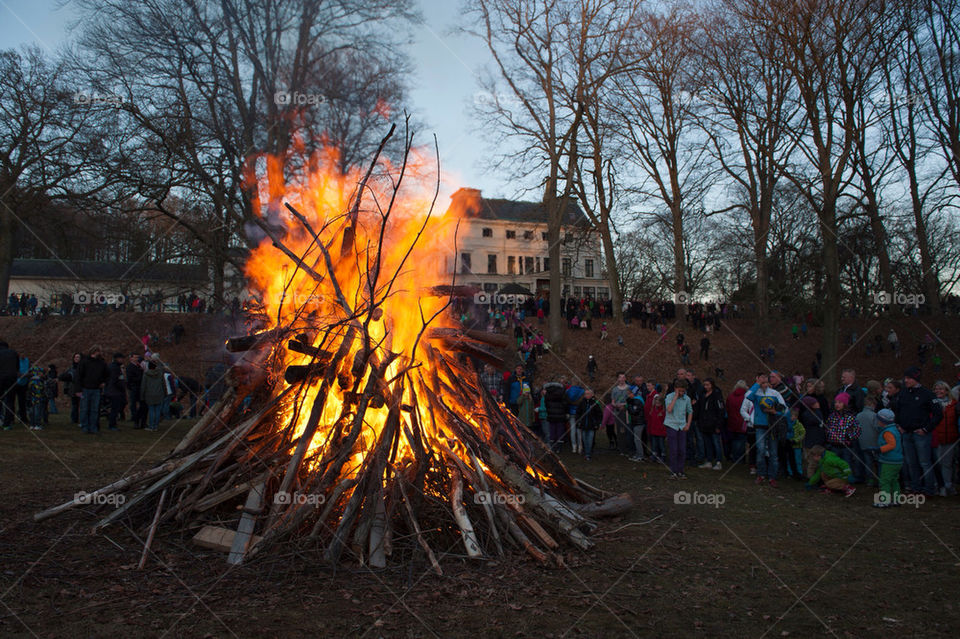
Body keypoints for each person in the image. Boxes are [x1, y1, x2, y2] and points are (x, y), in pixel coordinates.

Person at [893, 367, 940, 497]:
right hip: (906, 433)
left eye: (908, 378)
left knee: (924, 462)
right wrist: (899, 425)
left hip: (921, 434)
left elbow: (938, 414)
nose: (905, 380)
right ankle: (915, 487)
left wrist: (926, 429)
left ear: (916, 379)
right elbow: (897, 410)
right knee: (911, 462)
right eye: (905, 378)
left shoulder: (927, 394)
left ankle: (929, 489)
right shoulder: (903, 393)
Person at [746, 374, 786, 487]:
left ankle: (772, 477)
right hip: (760, 426)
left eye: (765, 382)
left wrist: (775, 412)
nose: (764, 384)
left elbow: (785, 408)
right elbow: (747, 396)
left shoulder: (775, 393)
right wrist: (757, 384)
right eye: (761, 382)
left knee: (773, 452)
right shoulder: (756, 393)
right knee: (761, 450)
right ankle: (761, 474)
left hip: (773, 426)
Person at [825, 393, 861, 483]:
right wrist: (829, 436)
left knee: (846, 464)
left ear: (845, 404)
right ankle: (836, 481)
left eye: (840, 402)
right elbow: (827, 427)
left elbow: (857, 430)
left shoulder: (850, 417)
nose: (837, 404)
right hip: (834, 445)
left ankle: (848, 481)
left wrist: (849, 437)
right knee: (834, 464)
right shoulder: (832, 416)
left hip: (846, 446)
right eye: (836, 402)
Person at [931, 381, 958, 497]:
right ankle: (937, 485)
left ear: (947, 391)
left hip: (950, 438)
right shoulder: (931, 404)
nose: (938, 391)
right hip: (936, 438)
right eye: (936, 389)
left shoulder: (954, 405)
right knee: (937, 463)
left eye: (941, 389)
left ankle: (948, 485)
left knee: (947, 463)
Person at [664, 379, 693, 479]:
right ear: (675, 389)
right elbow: (669, 409)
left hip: (682, 426)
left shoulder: (687, 399)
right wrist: (675, 397)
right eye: (679, 391)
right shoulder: (669, 397)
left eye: (683, 391)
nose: (681, 393)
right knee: (673, 449)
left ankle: (680, 470)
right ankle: (673, 471)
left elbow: (690, 411)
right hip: (671, 425)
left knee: (682, 449)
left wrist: (688, 424)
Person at [77, 346, 109, 434]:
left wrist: (104, 382)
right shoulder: (84, 362)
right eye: (99, 351)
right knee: (85, 409)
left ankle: (93, 427)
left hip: (96, 389)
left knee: (94, 410)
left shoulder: (102, 363)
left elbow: (107, 375)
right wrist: (79, 389)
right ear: (94, 351)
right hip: (85, 389)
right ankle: (85, 427)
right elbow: (79, 376)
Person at [875, 409, 903, 507]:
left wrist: (879, 449)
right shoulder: (895, 429)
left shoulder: (887, 432)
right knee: (894, 480)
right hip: (898, 460)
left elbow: (891, 445)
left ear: (883, 421)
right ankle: (897, 499)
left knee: (885, 481)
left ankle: (884, 501)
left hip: (889, 461)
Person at [697, 378, 725, 470]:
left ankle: (718, 461)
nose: (706, 387)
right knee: (707, 443)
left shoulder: (717, 395)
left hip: (714, 423)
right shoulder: (702, 395)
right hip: (704, 423)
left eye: (708, 385)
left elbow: (721, 410)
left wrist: (718, 424)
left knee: (716, 443)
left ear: (712, 385)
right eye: (704, 385)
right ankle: (709, 460)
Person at [857, 397, 881, 488]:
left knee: (868, 463)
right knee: (878, 463)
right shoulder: (874, 416)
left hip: (863, 444)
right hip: (875, 444)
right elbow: (877, 428)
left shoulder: (858, 415)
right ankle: (879, 480)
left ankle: (869, 480)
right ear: (872, 405)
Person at [575, 389, 604, 461]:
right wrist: (578, 421)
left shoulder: (595, 403)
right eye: (585, 394)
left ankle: (588, 453)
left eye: (588, 394)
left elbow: (599, 414)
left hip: (592, 426)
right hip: (583, 425)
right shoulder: (581, 403)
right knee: (584, 440)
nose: (586, 395)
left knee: (590, 440)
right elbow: (578, 413)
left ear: (592, 395)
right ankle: (586, 452)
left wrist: (597, 423)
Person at [725, 381, 749, 465]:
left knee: (734, 441)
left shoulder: (730, 396)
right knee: (741, 441)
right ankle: (740, 459)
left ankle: (734, 457)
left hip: (732, 421)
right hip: (742, 422)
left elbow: (727, 408)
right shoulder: (746, 397)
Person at [140, 360, 166, 431]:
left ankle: (151, 426)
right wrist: (165, 393)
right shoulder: (160, 374)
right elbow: (163, 384)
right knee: (157, 411)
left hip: (149, 394)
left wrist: (142, 396)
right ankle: (155, 426)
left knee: (151, 410)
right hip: (159, 394)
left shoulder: (146, 374)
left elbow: (143, 386)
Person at [542, 378, 568, 452]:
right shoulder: (563, 391)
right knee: (560, 430)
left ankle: (552, 446)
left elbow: (546, 403)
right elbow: (565, 403)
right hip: (561, 414)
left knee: (552, 430)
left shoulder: (547, 392)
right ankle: (559, 447)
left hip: (551, 414)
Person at [105, 352, 127, 431]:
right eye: (121, 358)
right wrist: (122, 386)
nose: (122, 360)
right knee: (115, 408)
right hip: (115, 391)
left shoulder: (113, 366)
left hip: (113, 390)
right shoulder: (115, 368)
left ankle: (113, 423)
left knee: (116, 408)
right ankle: (112, 425)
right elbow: (116, 380)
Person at [0, 340, 19, 430]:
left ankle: (0, 420)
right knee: (10, 401)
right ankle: (7, 423)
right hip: (12, 378)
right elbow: (17, 367)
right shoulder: (14, 353)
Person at [646, 391, 666, 463]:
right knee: (654, 444)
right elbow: (650, 421)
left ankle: (662, 456)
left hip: (661, 432)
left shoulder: (663, 412)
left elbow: (664, 422)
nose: (657, 404)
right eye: (656, 402)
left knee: (661, 444)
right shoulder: (652, 410)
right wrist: (649, 429)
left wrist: (663, 429)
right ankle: (654, 455)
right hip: (653, 431)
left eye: (659, 403)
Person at [626, 387, 646, 462]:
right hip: (636, 422)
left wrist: (629, 405)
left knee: (637, 439)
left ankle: (640, 456)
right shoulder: (635, 400)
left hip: (639, 422)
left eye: (629, 393)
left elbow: (634, 411)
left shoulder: (637, 400)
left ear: (633, 393)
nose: (628, 395)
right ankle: (638, 454)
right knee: (636, 439)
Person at [27, 365, 46, 430]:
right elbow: (42, 390)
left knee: (32, 411)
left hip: (31, 398)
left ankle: (32, 424)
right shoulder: (39, 381)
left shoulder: (30, 380)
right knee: (37, 411)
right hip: (38, 398)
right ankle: (37, 424)